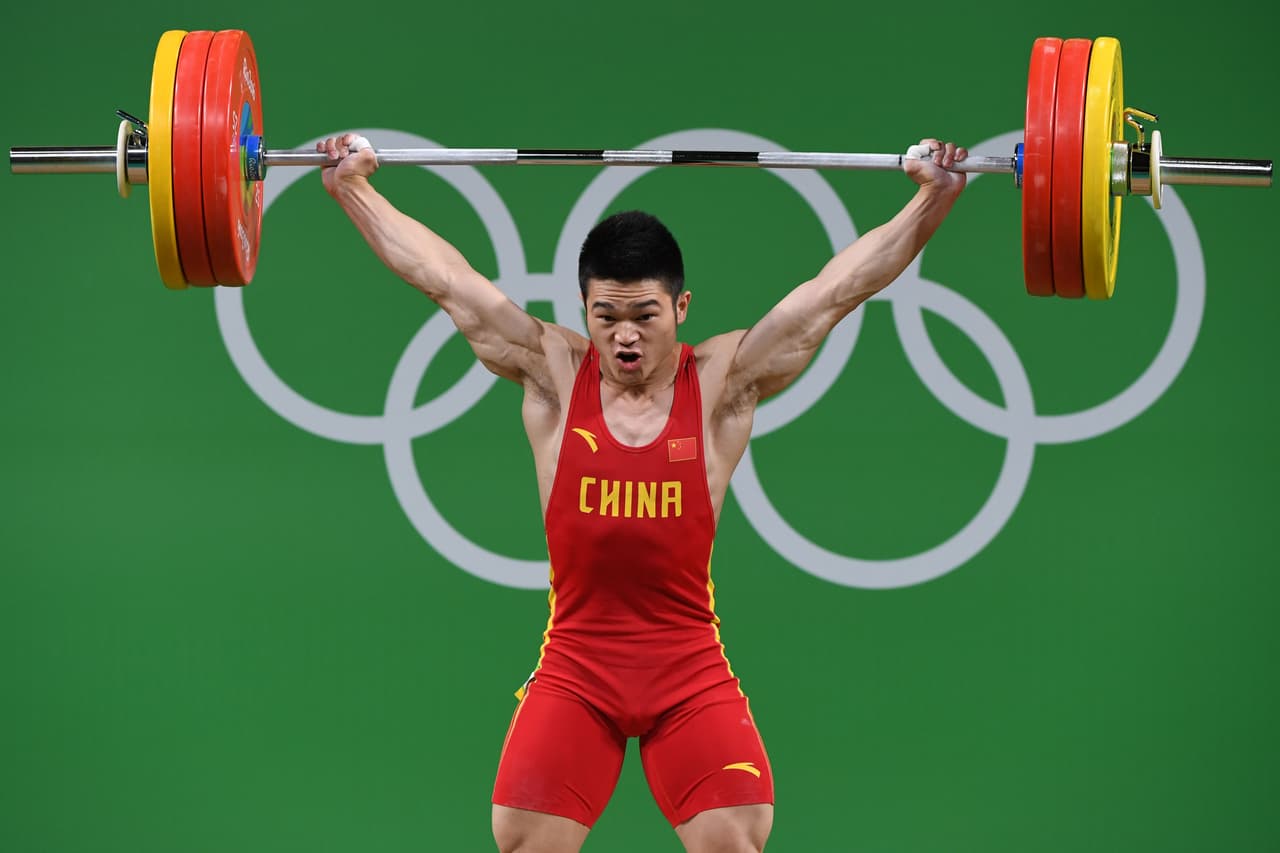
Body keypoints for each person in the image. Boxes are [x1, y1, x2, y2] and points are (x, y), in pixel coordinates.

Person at [317, 132, 968, 853]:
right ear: (584, 308)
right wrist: (354, 188)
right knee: (523, 837)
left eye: (645, 316)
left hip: (687, 668)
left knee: (735, 838)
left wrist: (932, 198)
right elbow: (445, 278)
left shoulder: (724, 382)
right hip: (576, 666)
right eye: (607, 317)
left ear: (681, 306)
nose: (625, 336)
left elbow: (838, 289)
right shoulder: (553, 373)